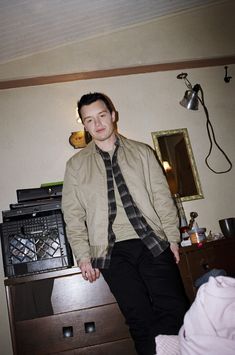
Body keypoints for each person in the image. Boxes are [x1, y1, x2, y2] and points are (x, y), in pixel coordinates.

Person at [62, 92, 189, 355]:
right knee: (140, 319)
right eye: (89, 120)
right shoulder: (75, 165)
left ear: (113, 115)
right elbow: (73, 215)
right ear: (84, 125)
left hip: (152, 242)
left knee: (175, 310)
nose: (97, 124)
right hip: (111, 251)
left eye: (102, 116)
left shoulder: (143, 152)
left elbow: (162, 198)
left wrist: (173, 239)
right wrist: (83, 256)